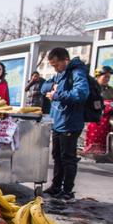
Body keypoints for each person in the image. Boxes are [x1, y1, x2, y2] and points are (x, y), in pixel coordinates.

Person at [40, 47, 90, 201]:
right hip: (57, 121)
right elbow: (44, 87)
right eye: (53, 65)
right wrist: (52, 89)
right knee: (57, 156)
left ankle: (67, 190)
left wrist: (57, 94)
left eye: (56, 65)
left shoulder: (77, 72)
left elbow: (81, 93)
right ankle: (56, 186)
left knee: (68, 158)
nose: (55, 68)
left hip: (70, 122)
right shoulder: (60, 74)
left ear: (65, 60)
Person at [84, 66, 113, 155]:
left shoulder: (110, 90)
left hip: (109, 115)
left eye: (108, 77)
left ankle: (107, 147)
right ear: (98, 76)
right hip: (94, 114)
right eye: (105, 77)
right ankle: (94, 146)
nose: (107, 79)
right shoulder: (91, 87)